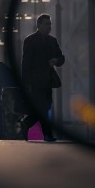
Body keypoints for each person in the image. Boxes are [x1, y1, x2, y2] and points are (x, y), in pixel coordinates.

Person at [20, 14, 65, 142]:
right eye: (46, 24)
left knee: (45, 106)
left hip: (48, 80)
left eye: (50, 24)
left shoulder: (52, 41)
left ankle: (26, 123)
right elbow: (26, 63)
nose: (49, 26)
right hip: (35, 81)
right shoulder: (30, 40)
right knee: (43, 107)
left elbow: (61, 58)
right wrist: (25, 83)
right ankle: (47, 134)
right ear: (38, 25)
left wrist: (56, 60)